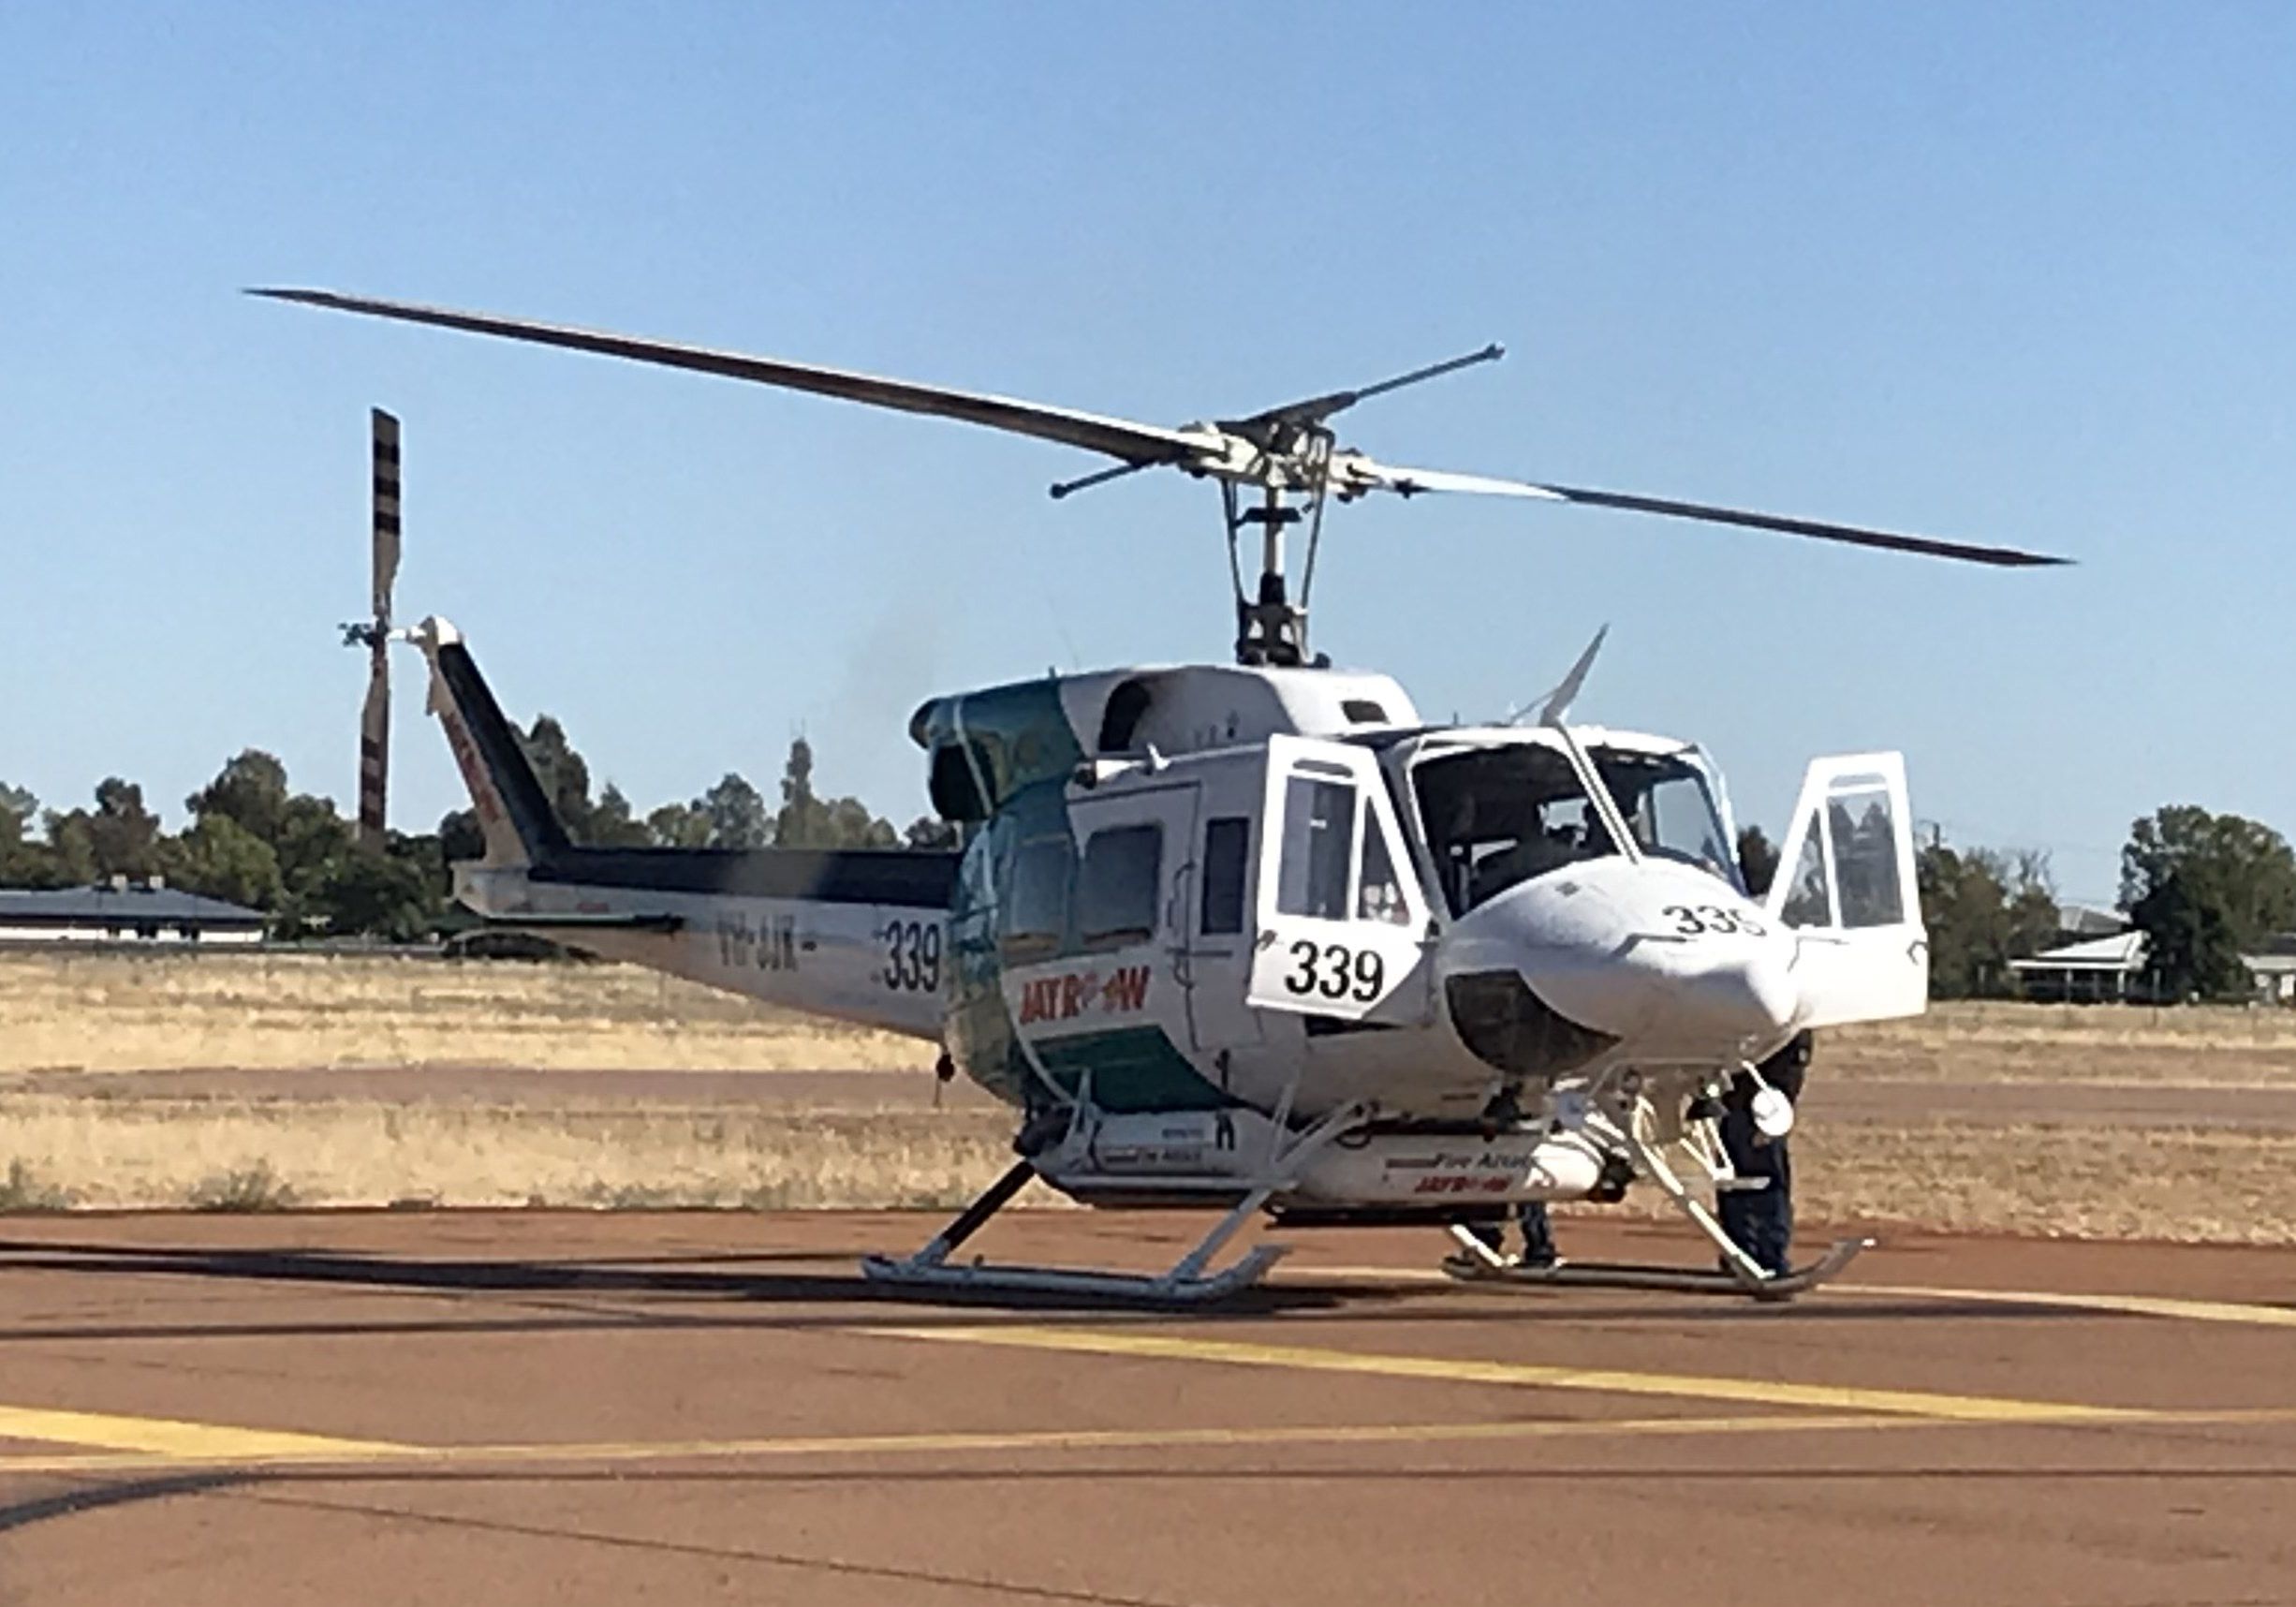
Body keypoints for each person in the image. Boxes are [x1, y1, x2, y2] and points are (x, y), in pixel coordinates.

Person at [1716, 1031, 1812, 1276]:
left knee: (1764, 1172)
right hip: (1736, 1097)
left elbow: (1791, 1064)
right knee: (1732, 1174)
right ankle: (1739, 1249)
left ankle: (1768, 1253)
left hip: (1764, 1102)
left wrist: (1782, 1099)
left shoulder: (1789, 1027)